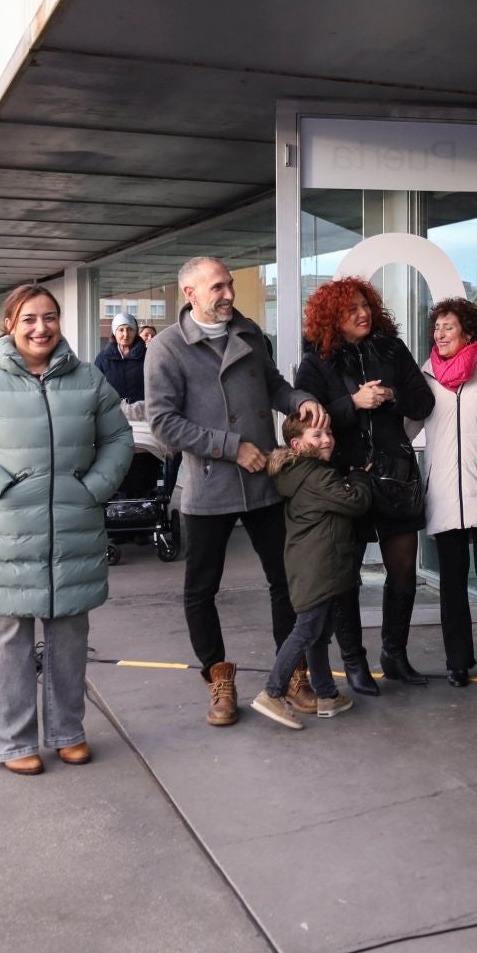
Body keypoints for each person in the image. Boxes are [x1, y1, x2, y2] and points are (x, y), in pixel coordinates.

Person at [0, 284, 133, 775]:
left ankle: (68, 732)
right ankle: (12, 740)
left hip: (73, 530)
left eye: (49, 317)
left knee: (69, 638)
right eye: (28, 319)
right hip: (4, 532)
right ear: (9, 325)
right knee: (7, 640)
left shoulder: (87, 379)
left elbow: (118, 438)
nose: (40, 327)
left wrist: (94, 488)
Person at [146, 256, 326, 726]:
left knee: (287, 583)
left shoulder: (248, 333)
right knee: (201, 590)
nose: (228, 294)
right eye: (218, 288)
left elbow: (274, 387)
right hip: (209, 488)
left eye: (229, 285)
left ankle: (293, 675)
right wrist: (232, 447)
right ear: (190, 294)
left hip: (266, 482)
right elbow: (163, 424)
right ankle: (218, 680)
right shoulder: (166, 348)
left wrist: (301, 400)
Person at [295, 277, 434, 694]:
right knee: (346, 577)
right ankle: (354, 661)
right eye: (351, 308)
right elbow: (306, 424)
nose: (362, 313)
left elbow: (423, 402)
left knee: (404, 572)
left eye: (365, 305)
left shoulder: (391, 348)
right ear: (331, 317)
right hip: (345, 480)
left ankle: (395, 654)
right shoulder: (315, 360)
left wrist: (391, 394)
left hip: (395, 475)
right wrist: (352, 403)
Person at [419, 297, 477, 687]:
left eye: (448, 327)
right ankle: (457, 661)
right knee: (452, 582)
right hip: (444, 492)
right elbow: (406, 428)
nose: (439, 335)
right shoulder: (424, 378)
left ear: (469, 332)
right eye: (436, 328)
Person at [254, 414, 371, 728]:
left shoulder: (296, 472)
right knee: (307, 629)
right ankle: (272, 692)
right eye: (317, 435)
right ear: (297, 443)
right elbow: (355, 502)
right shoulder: (317, 476)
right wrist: (359, 477)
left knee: (317, 632)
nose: (327, 439)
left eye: (329, 432)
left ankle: (327, 695)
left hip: (310, 561)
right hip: (321, 563)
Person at [94, 313, 146, 405]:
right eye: (121, 330)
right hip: (111, 412)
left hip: (141, 412)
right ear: (114, 332)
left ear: (135, 332)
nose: (125, 334)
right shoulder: (103, 358)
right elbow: (96, 388)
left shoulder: (147, 355)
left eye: (130, 329)